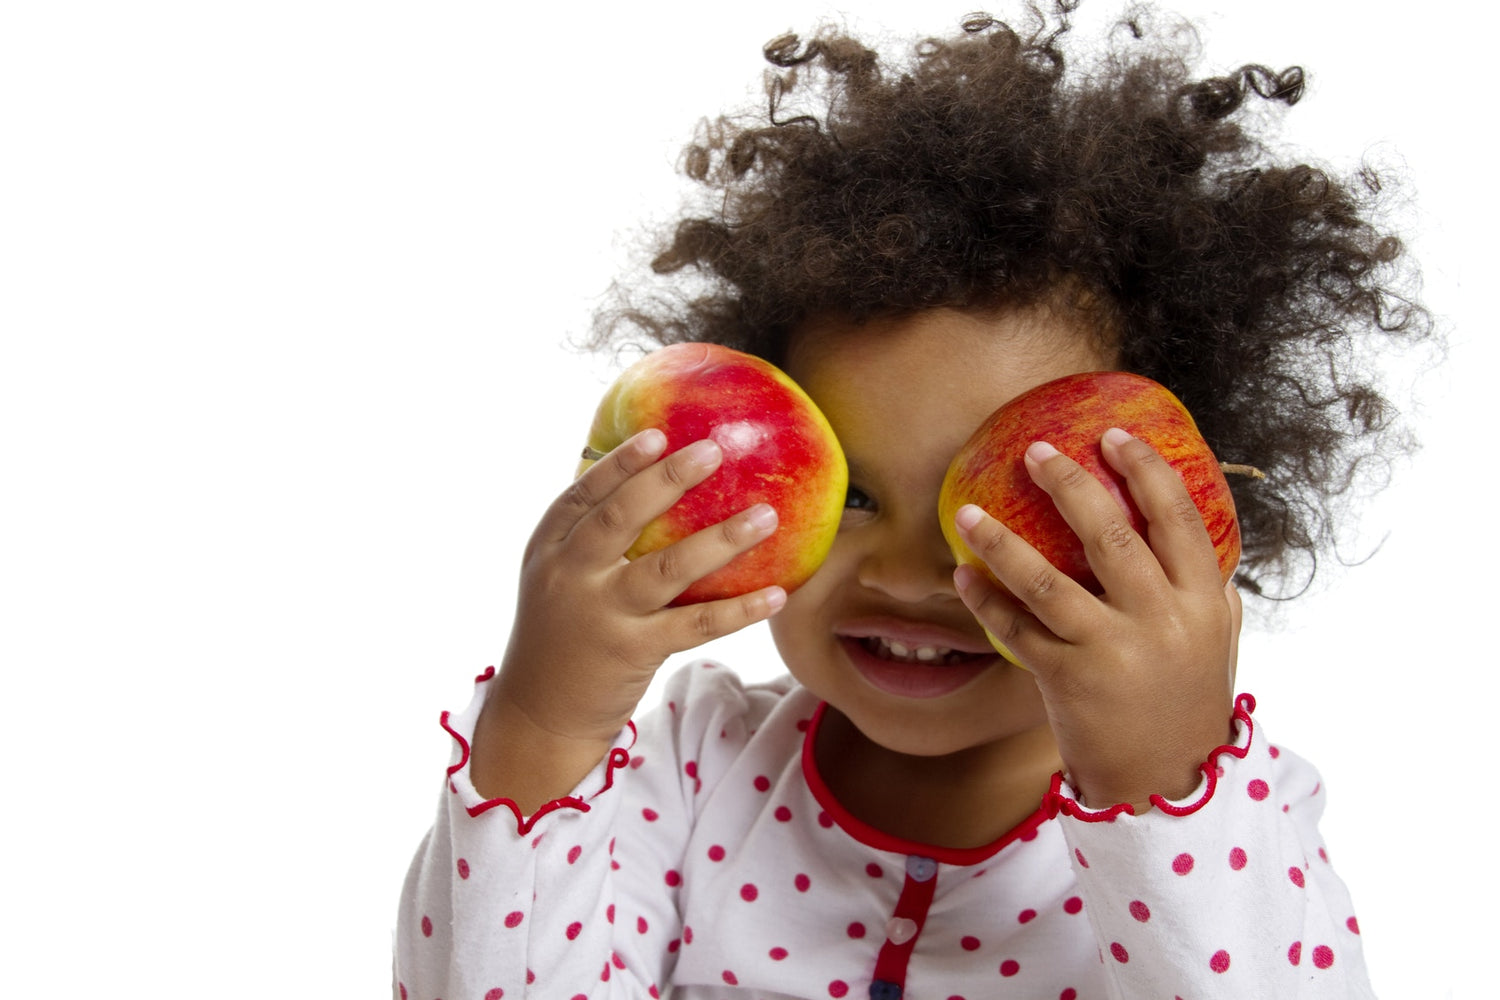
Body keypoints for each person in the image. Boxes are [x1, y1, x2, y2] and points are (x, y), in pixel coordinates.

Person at [395, 3, 1430, 997]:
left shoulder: (1233, 826)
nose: (904, 574)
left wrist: (1161, 773)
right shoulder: (690, 766)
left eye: (1007, 510)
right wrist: (541, 719)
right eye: (847, 495)